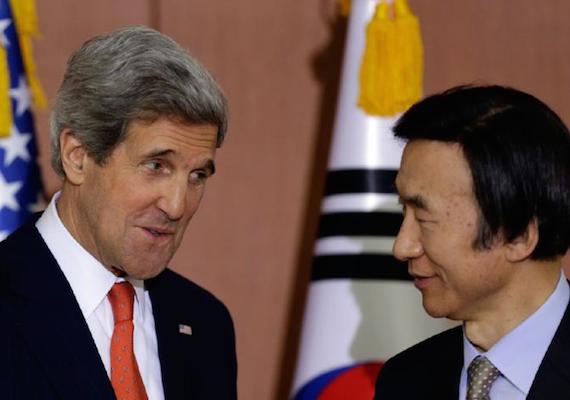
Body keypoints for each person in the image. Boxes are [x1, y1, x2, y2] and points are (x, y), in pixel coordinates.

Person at [0, 26, 237, 399]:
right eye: (156, 166)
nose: (177, 206)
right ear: (77, 156)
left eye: (197, 176)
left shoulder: (206, 324)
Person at [374, 85, 570, 399]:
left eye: (424, 218)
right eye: (403, 211)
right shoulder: (404, 380)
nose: (402, 247)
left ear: (519, 235)